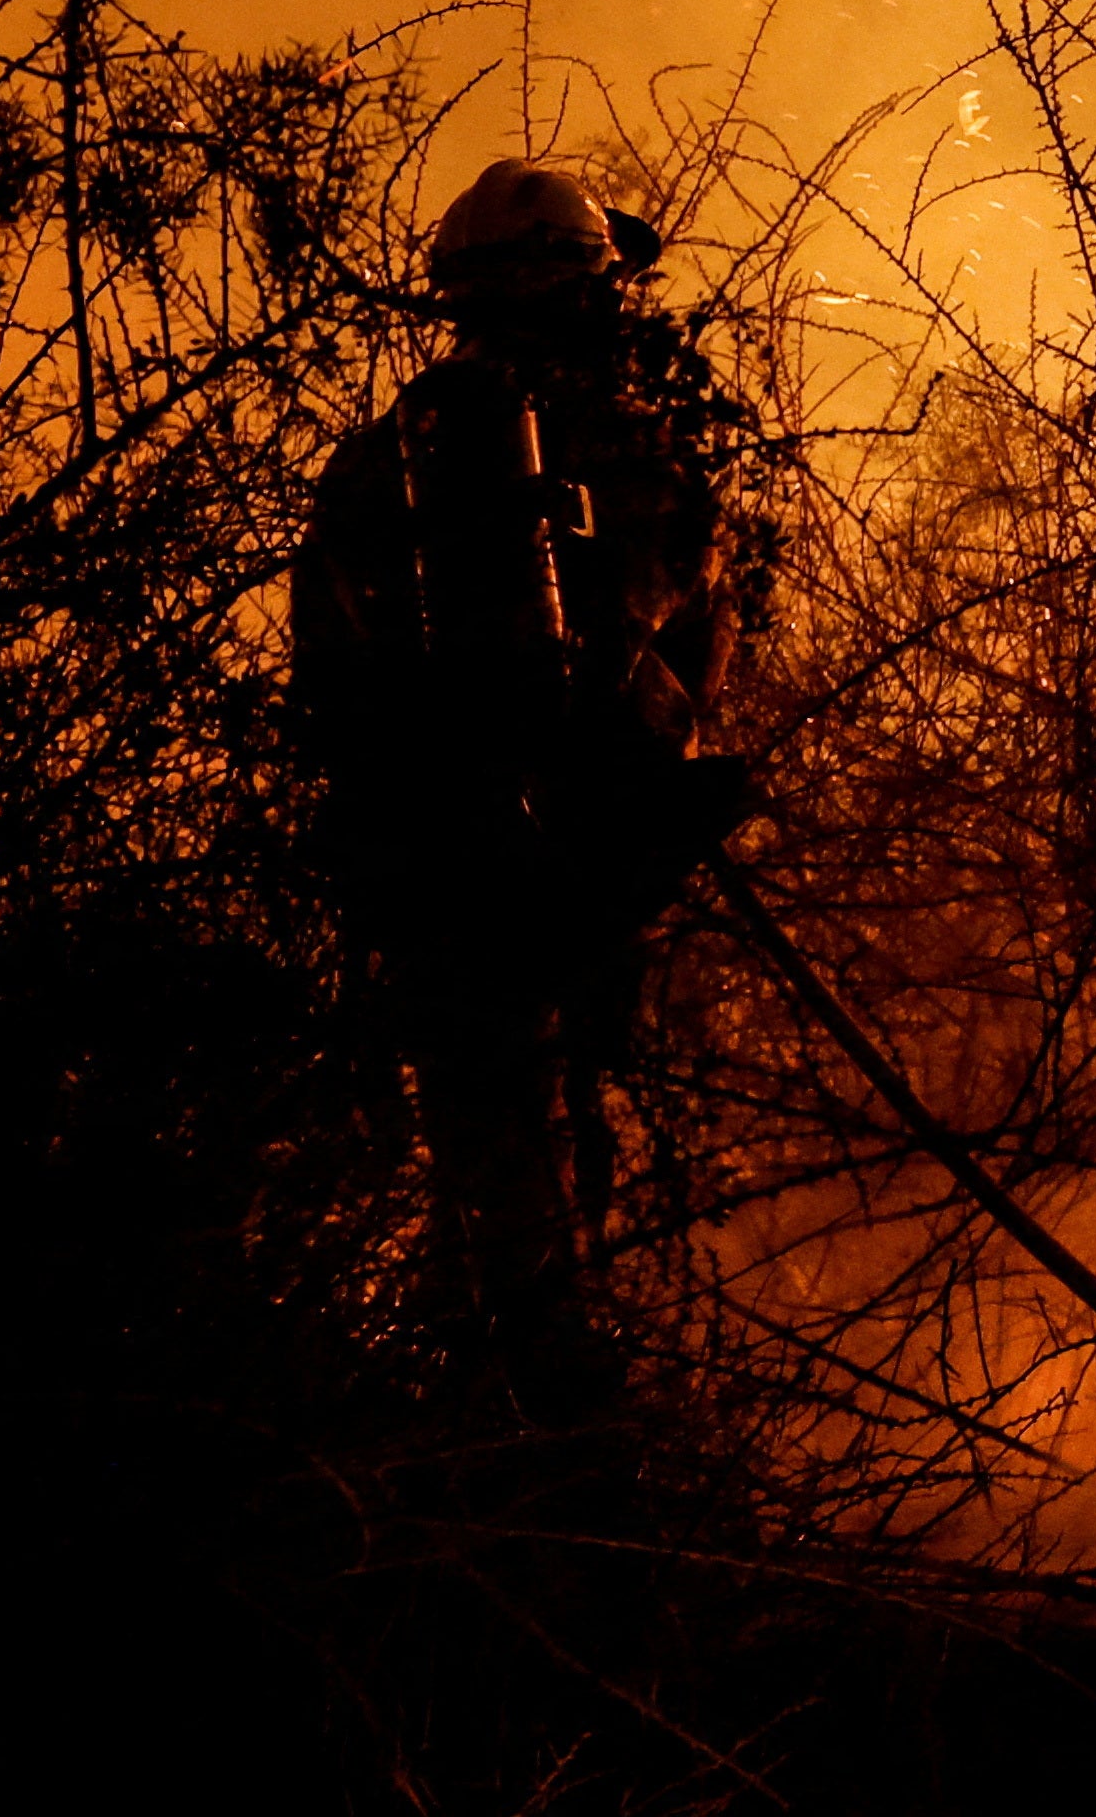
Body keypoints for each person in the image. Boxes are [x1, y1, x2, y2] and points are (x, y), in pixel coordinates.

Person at [293, 156, 754, 1395]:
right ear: (597, 291)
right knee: (569, 1145)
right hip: (576, 872)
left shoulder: (381, 460)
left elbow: (327, 681)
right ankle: (552, 1426)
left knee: (481, 1140)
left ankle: (472, 1399)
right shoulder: (644, 456)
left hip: (431, 869)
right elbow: (683, 666)